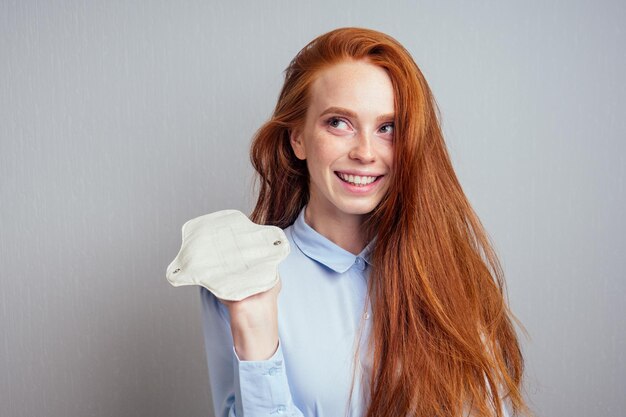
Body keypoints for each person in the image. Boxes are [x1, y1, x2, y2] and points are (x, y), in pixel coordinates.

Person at [199, 27, 527, 417]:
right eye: (339, 123)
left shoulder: (453, 276)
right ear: (297, 139)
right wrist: (257, 347)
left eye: (387, 128)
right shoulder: (243, 278)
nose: (366, 152)